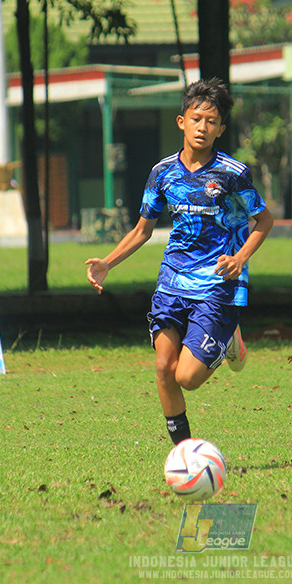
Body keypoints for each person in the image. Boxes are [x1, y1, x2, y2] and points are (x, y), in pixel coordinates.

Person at [85, 78, 274, 445]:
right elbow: (142, 230)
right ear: (181, 122)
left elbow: (263, 220)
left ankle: (229, 340)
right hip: (172, 281)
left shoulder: (233, 174)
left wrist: (240, 258)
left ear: (221, 129)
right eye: (196, 118)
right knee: (163, 368)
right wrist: (108, 262)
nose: (203, 127)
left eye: (211, 121)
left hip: (217, 285)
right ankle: (185, 455)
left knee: (187, 377)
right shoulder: (162, 173)